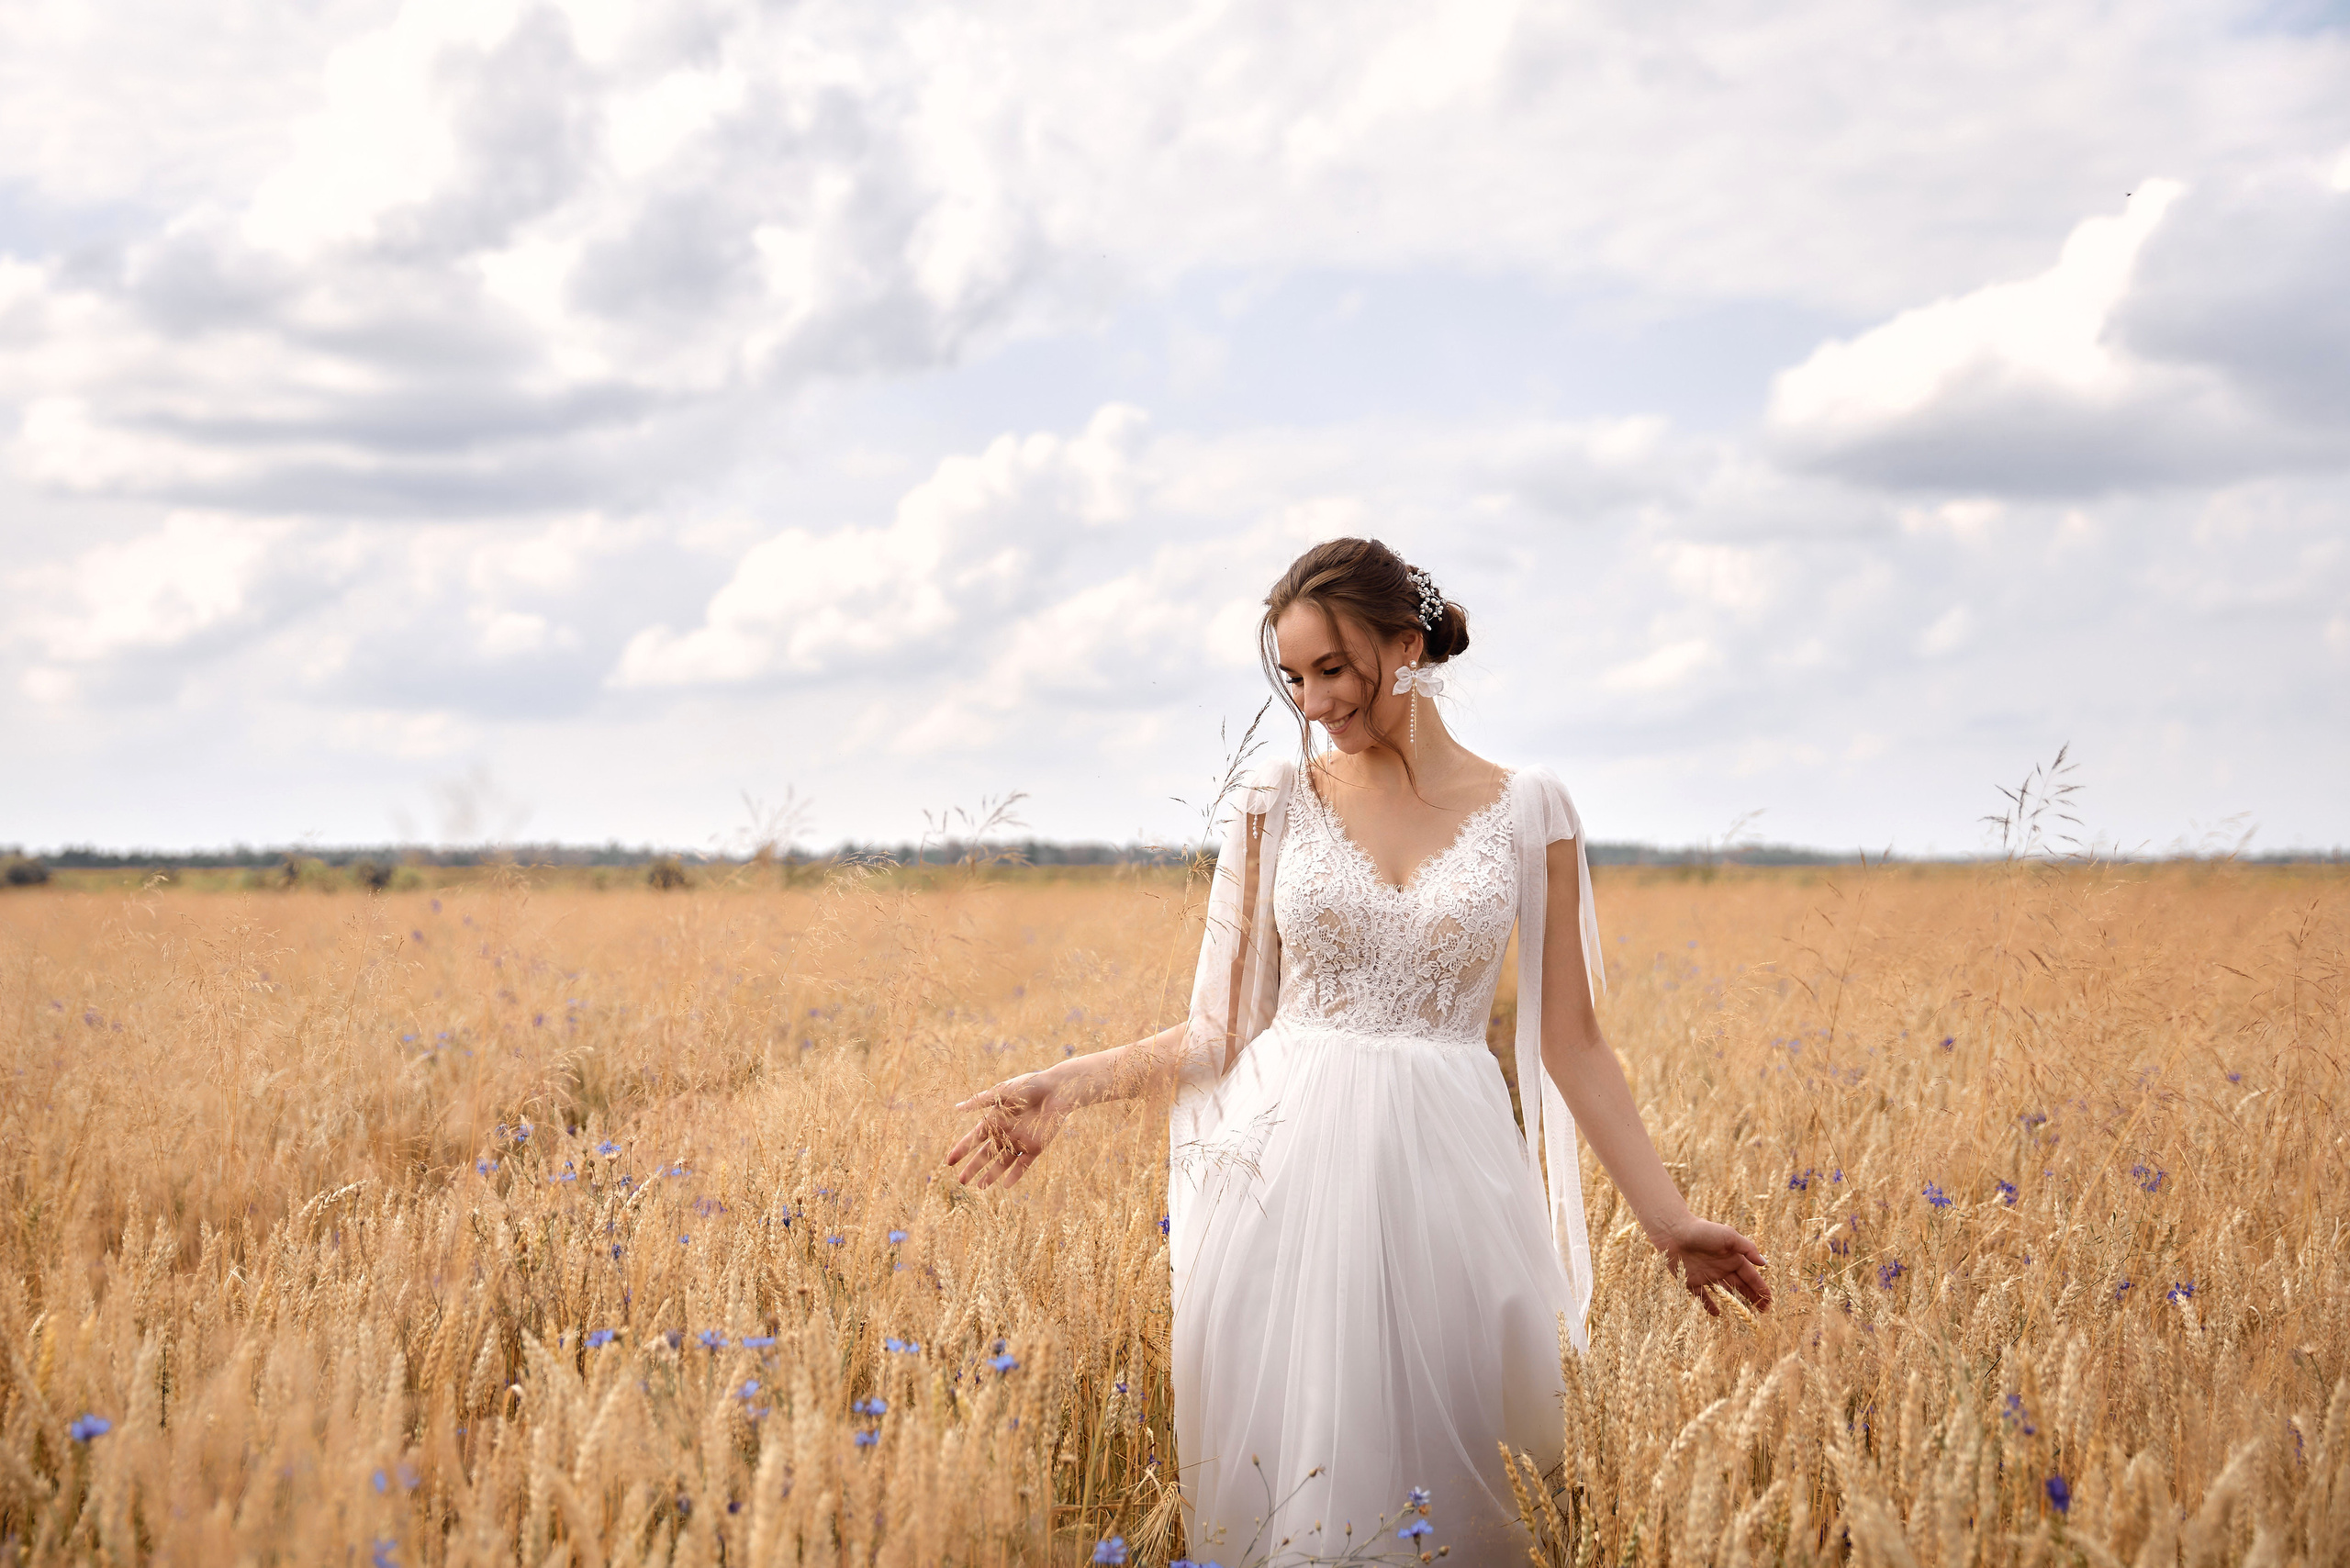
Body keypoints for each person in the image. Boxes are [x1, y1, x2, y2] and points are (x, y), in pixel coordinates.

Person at [946, 538, 1770, 1564]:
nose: (1312, 703)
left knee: (1457, 1479)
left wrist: (1669, 1219)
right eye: (1292, 678)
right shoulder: (1272, 800)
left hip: (1450, 1186)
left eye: (1331, 670)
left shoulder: (1530, 809)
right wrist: (1064, 1083)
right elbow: (1219, 1027)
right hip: (1281, 1186)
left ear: (1407, 645)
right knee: (1298, 1489)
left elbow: (1574, 1043)